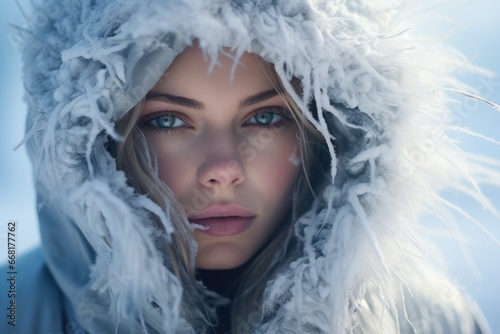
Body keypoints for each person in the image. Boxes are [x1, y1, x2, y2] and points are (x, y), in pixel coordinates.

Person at [1, 0, 498, 333]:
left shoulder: (430, 320)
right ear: (92, 143)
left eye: (265, 117)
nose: (223, 169)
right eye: (169, 120)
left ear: (330, 134)